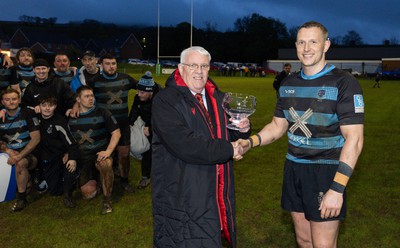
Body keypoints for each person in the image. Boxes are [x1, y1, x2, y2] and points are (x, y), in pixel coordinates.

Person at [238, 21, 364, 247]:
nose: (306, 48)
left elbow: (354, 139)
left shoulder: (344, 83)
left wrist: (337, 188)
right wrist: (250, 143)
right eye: (302, 42)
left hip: (326, 170)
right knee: (304, 240)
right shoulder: (288, 83)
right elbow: (277, 126)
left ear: (326, 45)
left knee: (323, 244)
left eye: (313, 42)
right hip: (294, 168)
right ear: (296, 46)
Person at [151, 46, 250, 247]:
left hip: (215, 192)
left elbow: (226, 131)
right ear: (180, 68)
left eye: (204, 66)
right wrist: (229, 150)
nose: (199, 71)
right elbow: (186, 145)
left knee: (211, 238)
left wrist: (242, 129)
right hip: (181, 193)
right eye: (193, 65)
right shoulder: (166, 101)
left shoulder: (218, 98)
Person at [86, 53, 138, 193]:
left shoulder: (125, 79)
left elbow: (143, 87)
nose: (111, 66)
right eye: (107, 64)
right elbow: (83, 97)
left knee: (124, 154)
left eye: (113, 63)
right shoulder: (94, 81)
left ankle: (124, 180)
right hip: (103, 125)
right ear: (101, 65)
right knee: (102, 154)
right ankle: (97, 180)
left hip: (122, 123)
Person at [68, 86, 121, 214]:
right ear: (78, 100)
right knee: (88, 194)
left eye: (92, 96)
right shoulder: (71, 117)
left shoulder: (103, 112)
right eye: (86, 96)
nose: (91, 99)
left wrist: (108, 152)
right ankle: (97, 180)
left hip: (99, 154)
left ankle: (107, 200)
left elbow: (116, 133)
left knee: (105, 164)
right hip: (83, 158)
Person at [0, 88, 40, 212]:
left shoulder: (28, 114)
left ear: (19, 100)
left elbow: (36, 139)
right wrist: (7, 150)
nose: (11, 102)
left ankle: (21, 199)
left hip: (30, 154)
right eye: (7, 100)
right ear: (2, 102)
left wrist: (19, 155)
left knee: (20, 163)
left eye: (14, 99)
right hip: (10, 153)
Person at [37, 95, 80, 208]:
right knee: (54, 191)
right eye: (44, 105)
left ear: (55, 106)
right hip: (47, 157)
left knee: (70, 167)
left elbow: (72, 143)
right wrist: (2, 110)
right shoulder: (35, 118)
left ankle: (67, 196)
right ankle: (53, 178)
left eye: (50, 105)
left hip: (62, 155)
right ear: (39, 106)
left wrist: (72, 158)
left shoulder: (59, 122)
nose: (47, 108)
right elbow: (19, 108)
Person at [128, 71, 161, 189]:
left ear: (150, 92)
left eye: (142, 92)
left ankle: (152, 176)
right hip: (146, 122)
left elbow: (164, 118)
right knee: (147, 149)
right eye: (138, 91)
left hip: (159, 125)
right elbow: (134, 109)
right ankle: (146, 176)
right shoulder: (139, 97)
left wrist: (151, 128)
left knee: (156, 149)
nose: (138, 94)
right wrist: (130, 123)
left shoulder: (161, 99)